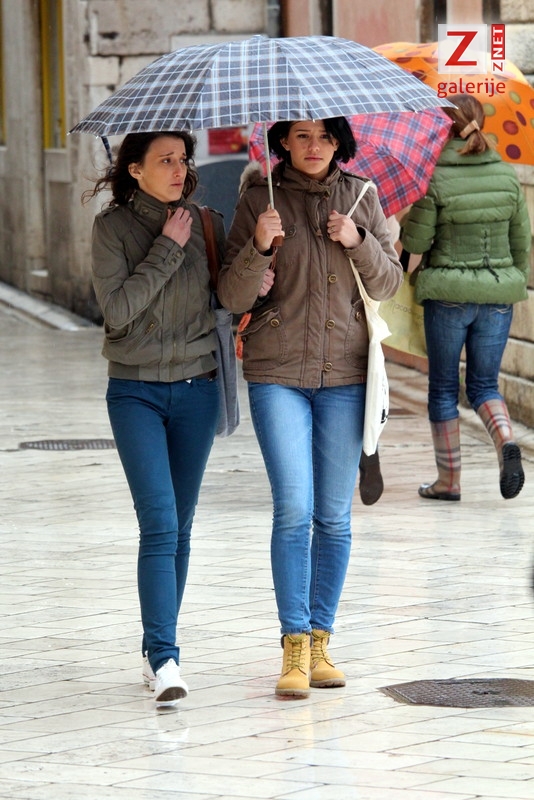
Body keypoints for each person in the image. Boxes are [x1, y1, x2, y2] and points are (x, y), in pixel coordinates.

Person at [217, 117, 403, 698]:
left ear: (339, 142)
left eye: (325, 136)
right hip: (277, 373)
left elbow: (389, 284)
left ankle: (322, 640)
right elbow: (230, 296)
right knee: (294, 509)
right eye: (301, 136)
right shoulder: (258, 199)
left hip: (346, 375)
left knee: (334, 516)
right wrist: (258, 247)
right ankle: (293, 644)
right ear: (282, 142)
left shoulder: (363, 197)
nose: (314, 146)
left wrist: (358, 240)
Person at [84, 131, 226, 706]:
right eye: (165, 160)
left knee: (181, 527)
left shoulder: (207, 224)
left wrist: (261, 257)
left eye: (183, 159)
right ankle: (166, 658)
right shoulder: (111, 229)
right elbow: (118, 311)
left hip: (198, 389)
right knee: (160, 523)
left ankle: (154, 649)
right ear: (135, 170)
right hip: (135, 392)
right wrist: (167, 247)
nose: (178, 169)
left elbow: (232, 298)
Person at [401, 94, 531, 502]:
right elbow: (522, 242)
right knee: (484, 385)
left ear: (442, 129)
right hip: (498, 297)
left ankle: (449, 482)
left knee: (443, 388)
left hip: (447, 297)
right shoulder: (506, 175)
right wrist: (511, 282)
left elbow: (416, 243)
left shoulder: (434, 176)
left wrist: (410, 221)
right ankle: (505, 439)